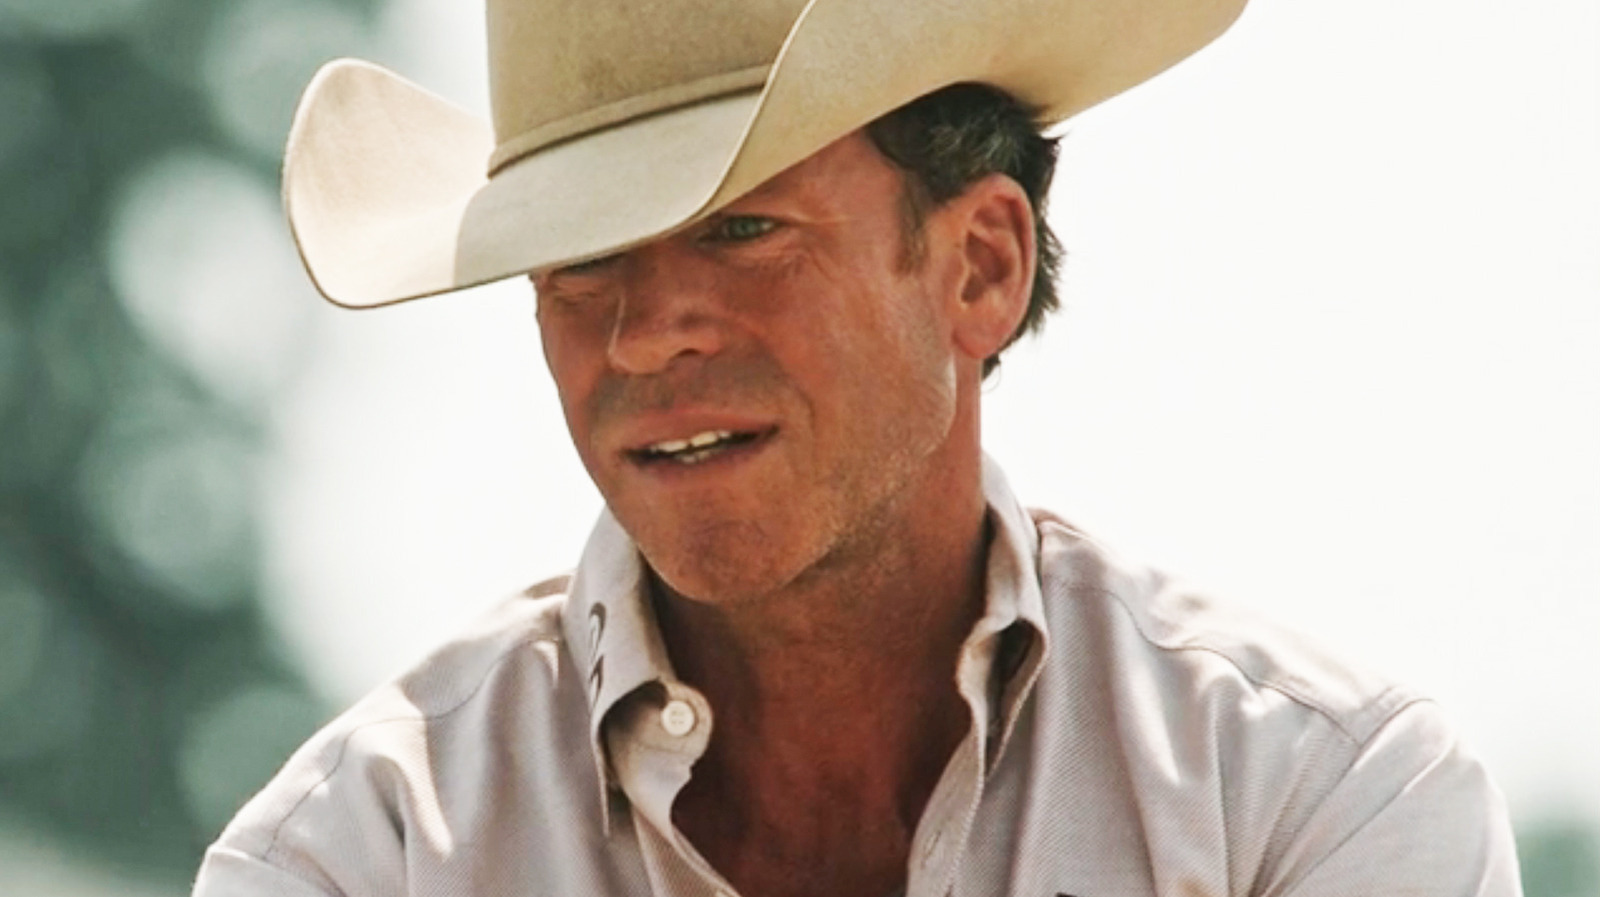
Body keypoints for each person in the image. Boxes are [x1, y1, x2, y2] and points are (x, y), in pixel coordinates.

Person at [194, 0, 1523, 894]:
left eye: (743, 230)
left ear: (981, 265)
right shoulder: (354, 854)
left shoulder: (1313, 796)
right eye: (577, 262)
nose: (644, 338)